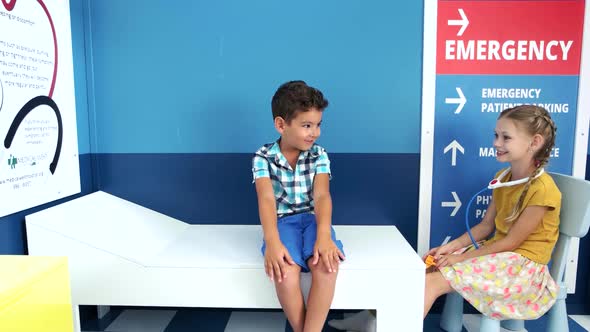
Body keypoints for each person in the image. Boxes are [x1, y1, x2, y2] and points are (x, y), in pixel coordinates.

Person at [423, 105, 560, 319]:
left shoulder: (543, 190)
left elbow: (510, 243)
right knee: (428, 269)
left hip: (523, 271)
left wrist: (459, 260)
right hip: (501, 256)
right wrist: (450, 247)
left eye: (506, 138)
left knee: (432, 282)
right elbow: (486, 226)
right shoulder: (503, 178)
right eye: (496, 135)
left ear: (535, 142)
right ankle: (374, 323)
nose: (496, 143)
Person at [252, 80, 345, 332]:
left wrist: (324, 236)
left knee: (325, 265)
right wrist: (272, 241)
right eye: (306, 125)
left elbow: (323, 196)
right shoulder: (263, 157)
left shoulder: (319, 155)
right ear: (281, 125)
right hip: (282, 222)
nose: (314, 133)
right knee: (285, 271)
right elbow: (267, 199)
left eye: (317, 125)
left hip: (314, 220)